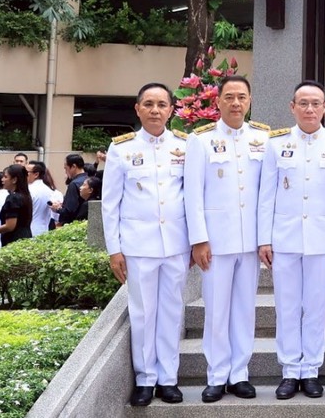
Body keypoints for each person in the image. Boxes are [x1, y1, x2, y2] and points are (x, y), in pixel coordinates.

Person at [258, 80, 325, 401]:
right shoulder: (275, 145)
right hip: (283, 239)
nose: (310, 109)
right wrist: (263, 239)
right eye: (304, 103)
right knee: (286, 307)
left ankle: (310, 369)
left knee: (315, 306)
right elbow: (265, 196)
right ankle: (289, 371)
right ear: (292, 107)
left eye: (316, 104)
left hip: (323, 240)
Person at [103, 82, 193, 408]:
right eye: (149, 104)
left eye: (162, 104)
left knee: (171, 312)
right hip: (138, 246)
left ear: (172, 110)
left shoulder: (185, 145)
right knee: (143, 314)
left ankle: (168, 378)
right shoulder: (121, 149)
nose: (156, 110)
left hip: (177, 244)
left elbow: (193, 198)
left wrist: (196, 242)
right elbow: (110, 204)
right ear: (137, 108)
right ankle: (145, 379)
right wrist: (115, 249)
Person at [185, 73, 268, 403]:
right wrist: (199, 239)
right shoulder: (201, 140)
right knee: (216, 310)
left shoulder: (263, 138)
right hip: (215, 244)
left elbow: (267, 194)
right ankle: (217, 375)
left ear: (249, 102)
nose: (236, 103)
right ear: (217, 101)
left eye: (242, 97)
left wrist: (266, 239)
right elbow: (193, 194)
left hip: (251, 242)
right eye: (230, 97)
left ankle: (240, 374)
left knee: (245, 310)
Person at [0, 164, 33, 244]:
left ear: (14, 180)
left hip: (14, 240)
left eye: (5, 177)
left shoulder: (13, 198)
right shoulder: (25, 196)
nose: (2, 179)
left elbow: (10, 226)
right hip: (25, 238)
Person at [27, 161, 59, 237]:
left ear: (36, 174)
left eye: (26, 172)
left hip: (29, 231)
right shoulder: (49, 190)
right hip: (44, 230)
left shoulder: (29, 190)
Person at [58, 153, 88, 226]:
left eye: (66, 168)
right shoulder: (89, 179)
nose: (65, 171)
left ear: (74, 166)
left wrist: (57, 209)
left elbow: (69, 210)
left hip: (73, 224)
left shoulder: (74, 184)